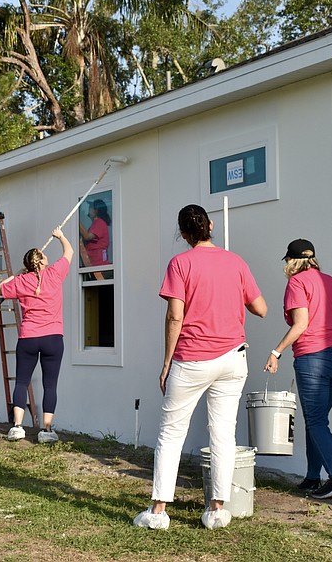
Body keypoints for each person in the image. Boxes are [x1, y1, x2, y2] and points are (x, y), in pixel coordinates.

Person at [134, 204, 267, 531]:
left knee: (171, 431)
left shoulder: (180, 263)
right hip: (232, 358)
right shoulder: (235, 262)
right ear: (210, 225)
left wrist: (166, 363)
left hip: (191, 359)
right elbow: (261, 308)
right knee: (223, 433)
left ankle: (159, 510)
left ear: (183, 233)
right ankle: (217, 510)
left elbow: (175, 316)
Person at [263, 239, 332, 500]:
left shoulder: (297, 283)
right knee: (317, 419)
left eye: (286, 261)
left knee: (316, 420)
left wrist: (276, 352)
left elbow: (300, 325)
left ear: (291, 261)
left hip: (314, 359)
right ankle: (312, 477)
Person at [0, 226, 73, 444]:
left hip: (28, 338)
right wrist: (60, 236)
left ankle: (17, 427)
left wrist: (18, 275)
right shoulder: (55, 273)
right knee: (50, 385)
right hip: (53, 338)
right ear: (43, 262)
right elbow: (69, 252)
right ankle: (46, 430)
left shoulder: (21, 281)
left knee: (21, 382)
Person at [78, 198, 110, 266]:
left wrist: (76, 220)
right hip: (94, 265)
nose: (89, 209)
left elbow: (87, 236)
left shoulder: (99, 223)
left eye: (91, 207)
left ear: (96, 210)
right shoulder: (96, 224)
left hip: (99, 266)